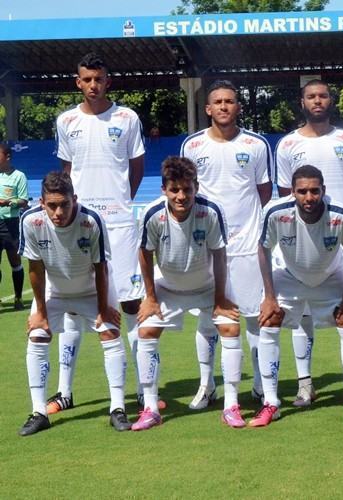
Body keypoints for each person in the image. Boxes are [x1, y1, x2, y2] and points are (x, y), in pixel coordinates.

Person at [52, 52, 147, 413]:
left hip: (119, 225)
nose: (93, 85)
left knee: (130, 304)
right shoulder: (66, 121)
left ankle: (142, 388)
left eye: (99, 79)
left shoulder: (127, 118)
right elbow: (67, 170)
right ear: (78, 82)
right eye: (87, 79)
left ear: (109, 81)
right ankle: (64, 391)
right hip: (79, 225)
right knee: (75, 309)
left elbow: (136, 168)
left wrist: (120, 204)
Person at [252, 165, 343, 427]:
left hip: (330, 276)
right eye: (302, 191)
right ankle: (271, 402)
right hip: (290, 276)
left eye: (314, 191)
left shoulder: (340, 214)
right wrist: (269, 296)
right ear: (292, 192)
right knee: (269, 320)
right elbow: (263, 249)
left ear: (323, 191)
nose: (308, 197)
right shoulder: (275, 213)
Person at [131, 157, 243, 431]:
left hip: (205, 285)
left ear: (196, 187)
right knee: (146, 332)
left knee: (230, 328)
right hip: (167, 287)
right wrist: (150, 297)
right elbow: (144, 254)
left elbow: (219, 254)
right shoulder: (152, 214)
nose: (181, 196)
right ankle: (150, 407)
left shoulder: (211, 212)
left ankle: (231, 405)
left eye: (187, 190)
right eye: (175, 190)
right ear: (164, 189)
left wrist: (220, 298)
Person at [180, 80, 273, 409]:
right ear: (208, 108)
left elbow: (263, 192)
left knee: (253, 316)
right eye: (217, 102)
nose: (223, 106)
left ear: (238, 106)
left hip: (246, 246)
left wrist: (246, 228)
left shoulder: (257, 145)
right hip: (206, 248)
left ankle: (260, 384)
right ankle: (207, 385)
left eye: (229, 101)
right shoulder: (192, 146)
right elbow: (187, 193)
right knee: (207, 318)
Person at [274, 79, 343, 407]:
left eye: (323, 95)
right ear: (302, 102)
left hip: (341, 238)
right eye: (311, 96)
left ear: (331, 100)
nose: (318, 101)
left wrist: (339, 219)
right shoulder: (286, 145)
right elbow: (287, 193)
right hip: (302, 241)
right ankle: (305, 384)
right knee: (302, 314)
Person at [18, 171, 130, 436]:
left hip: (91, 289)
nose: (58, 212)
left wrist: (103, 310)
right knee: (37, 335)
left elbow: (101, 268)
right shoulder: (30, 220)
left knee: (111, 333)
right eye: (52, 205)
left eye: (64, 204)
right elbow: (35, 268)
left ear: (74, 199)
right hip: (54, 291)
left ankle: (117, 407)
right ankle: (39, 412)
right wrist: (41, 314)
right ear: (42, 202)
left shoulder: (91, 221)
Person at [0, 143, 29, 310]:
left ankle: (18, 297)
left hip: (11, 223)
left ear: (7, 157)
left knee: (15, 261)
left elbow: (24, 201)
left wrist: (9, 202)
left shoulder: (19, 176)